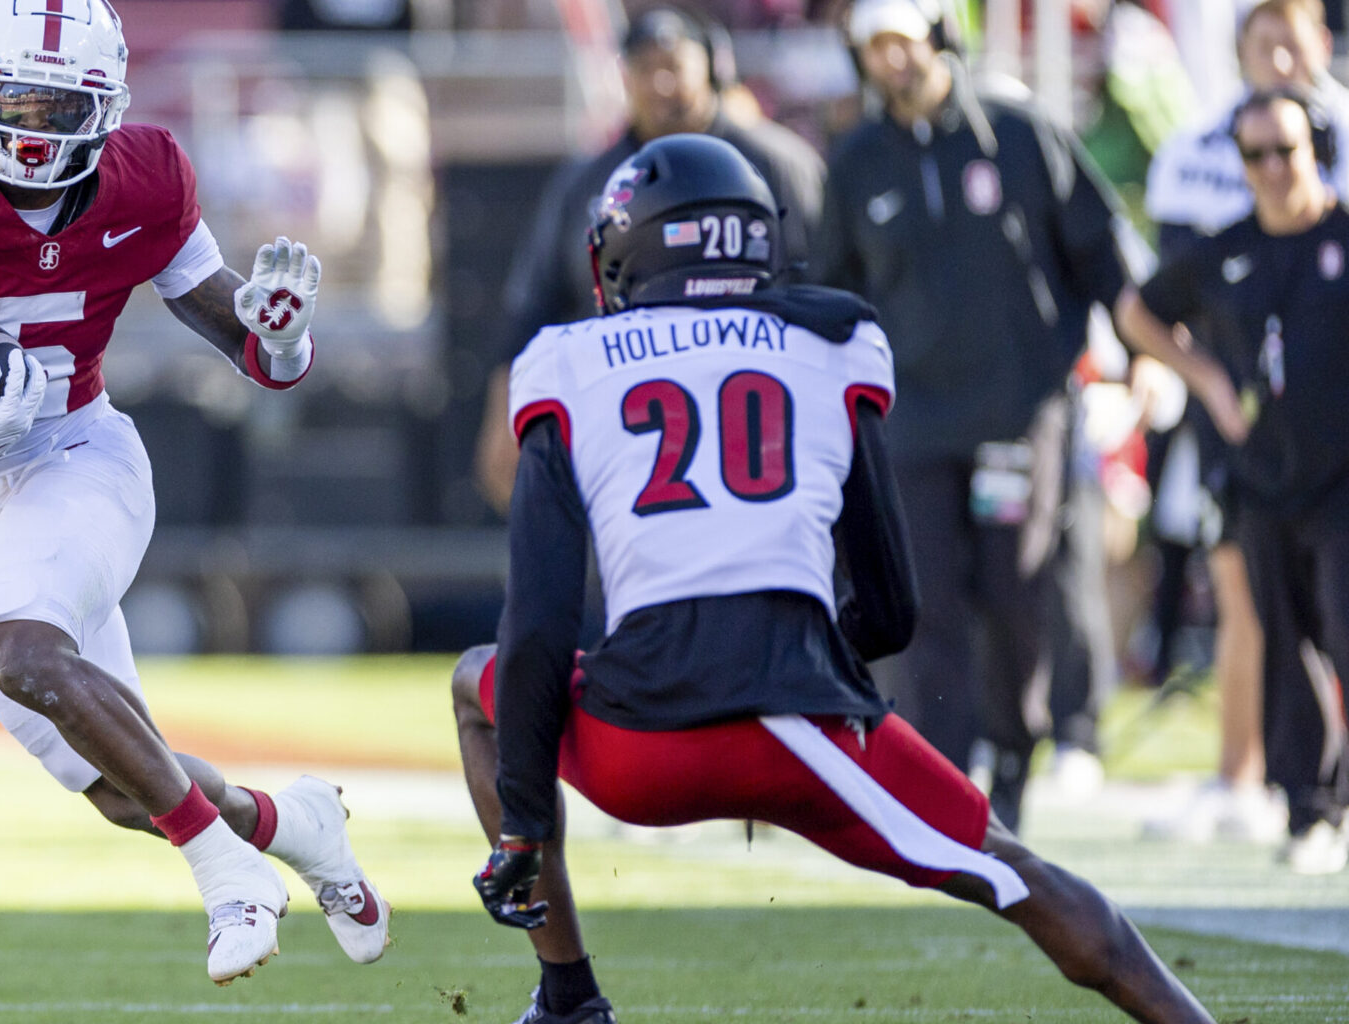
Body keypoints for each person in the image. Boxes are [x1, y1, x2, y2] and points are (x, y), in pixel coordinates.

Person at [453, 134, 1215, 1024]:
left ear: (627, 248)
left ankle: (568, 997)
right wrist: (809, 667)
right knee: (1019, 875)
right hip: (800, 734)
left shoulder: (568, 361)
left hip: (639, 748)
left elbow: (537, 624)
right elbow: (891, 604)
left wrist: (522, 823)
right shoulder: (832, 338)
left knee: (477, 682)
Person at [0, 0, 389, 982]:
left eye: (56, 105)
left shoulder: (148, 179)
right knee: (121, 784)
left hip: (82, 455)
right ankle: (295, 823)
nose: (33, 130)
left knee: (25, 651)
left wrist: (283, 338)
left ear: (108, 106)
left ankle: (227, 873)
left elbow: (253, 349)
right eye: (13, 102)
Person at [813, 0, 1141, 831]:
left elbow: (1102, 256)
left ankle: (1017, 753)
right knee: (926, 602)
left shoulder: (1022, 135)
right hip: (912, 424)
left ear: (938, 37)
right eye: (873, 45)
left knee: (1018, 589)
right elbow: (835, 294)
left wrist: (1142, 364)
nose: (891, 60)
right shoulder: (855, 163)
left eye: (902, 40)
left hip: (1016, 415)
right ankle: (945, 778)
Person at [1113, 88, 1349, 875]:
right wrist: (1207, 380)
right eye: (1257, 155)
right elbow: (1137, 312)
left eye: (1287, 149)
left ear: (1316, 146)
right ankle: (1310, 809)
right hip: (1261, 478)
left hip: (1343, 477)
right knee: (1285, 645)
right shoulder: (1226, 249)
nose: (1274, 169)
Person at [474, 4, 826, 512]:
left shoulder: (775, 163)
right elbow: (535, 303)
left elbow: (833, 283)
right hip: (631, 427)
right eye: (645, 69)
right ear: (622, 77)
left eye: (674, 66)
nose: (662, 84)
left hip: (757, 421)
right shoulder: (586, 183)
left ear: (712, 68)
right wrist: (501, 411)